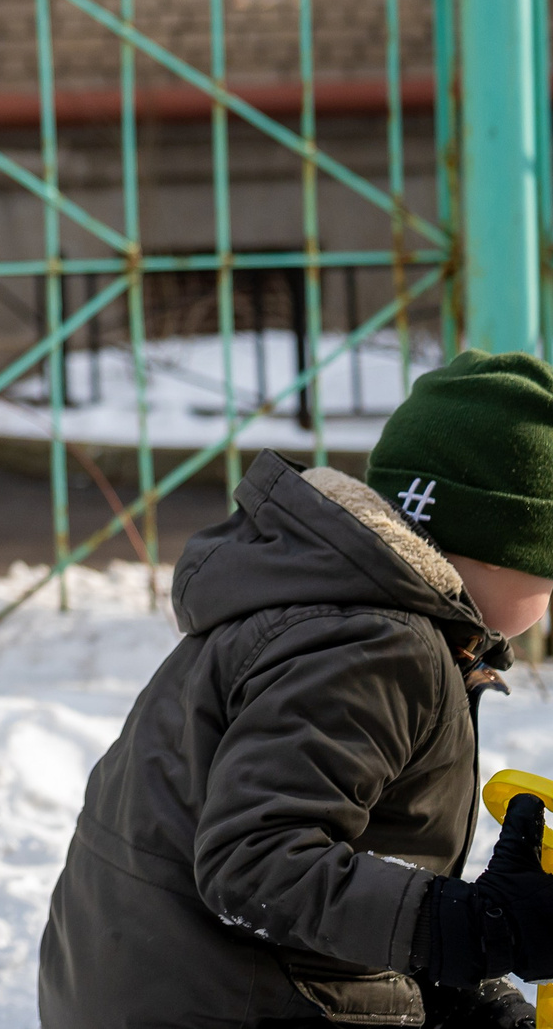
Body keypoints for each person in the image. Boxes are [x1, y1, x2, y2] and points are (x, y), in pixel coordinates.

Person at [40, 350, 553, 1029]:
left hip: (169, 983)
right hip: (219, 1001)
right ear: (498, 546)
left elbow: (346, 860)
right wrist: (467, 927)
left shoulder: (332, 611)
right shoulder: (380, 645)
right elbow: (254, 866)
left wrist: (461, 987)